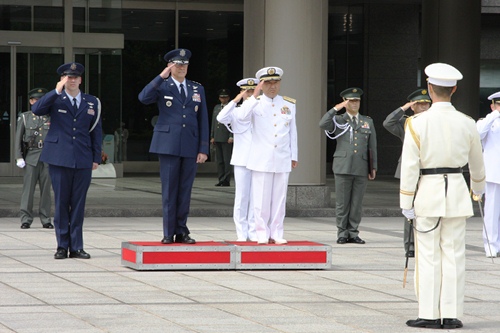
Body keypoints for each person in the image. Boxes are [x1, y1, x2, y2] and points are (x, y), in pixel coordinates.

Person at [400, 63, 485, 329]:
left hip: (428, 192)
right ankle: (451, 314)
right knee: (454, 253)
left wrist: (406, 202)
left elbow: (411, 166)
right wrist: (478, 190)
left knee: (428, 255)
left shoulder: (416, 122)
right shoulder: (468, 122)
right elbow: (477, 165)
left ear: (429, 89)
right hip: (457, 192)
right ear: (455, 89)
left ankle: (428, 313)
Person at [31, 62, 102, 260]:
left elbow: (96, 131)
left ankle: (77, 246)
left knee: (78, 204)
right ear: (63, 79)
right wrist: (55, 90)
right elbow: (37, 109)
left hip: (82, 158)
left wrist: (96, 157)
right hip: (59, 158)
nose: (71, 80)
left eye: (75, 77)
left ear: (80, 79)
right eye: (67, 77)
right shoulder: (55, 99)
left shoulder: (91, 102)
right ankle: (62, 246)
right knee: (62, 203)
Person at [138, 48, 209, 245]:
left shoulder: (197, 89)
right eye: (178, 64)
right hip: (168, 145)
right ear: (170, 66)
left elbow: (203, 119)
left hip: (190, 145)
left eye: (185, 64)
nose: (182, 68)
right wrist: (161, 76)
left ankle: (182, 231)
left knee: (185, 190)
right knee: (169, 190)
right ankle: (168, 232)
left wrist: (203, 148)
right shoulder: (163, 86)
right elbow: (143, 97)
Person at [238, 67, 298, 244]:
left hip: (282, 156)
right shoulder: (254, 103)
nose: (273, 86)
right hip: (261, 158)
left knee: (279, 199)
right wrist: (253, 96)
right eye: (268, 83)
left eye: (276, 82)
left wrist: (294, 155)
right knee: (261, 199)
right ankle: (261, 232)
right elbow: (241, 117)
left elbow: (292, 131)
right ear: (261, 85)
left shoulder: (288, 104)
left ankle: (277, 232)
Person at [319, 88, 377, 245]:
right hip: (343, 166)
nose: (355, 103)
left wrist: (373, 167)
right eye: (351, 101)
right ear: (345, 102)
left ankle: (353, 232)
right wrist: (336, 108)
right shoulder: (339, 120)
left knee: (357, 202)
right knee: (342, 202)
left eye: (357, 100)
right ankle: (342, 232)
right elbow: (323, 123)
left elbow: (372, 146)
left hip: (361, 166)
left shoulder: (367, 121)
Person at [383, 89, 431, 257]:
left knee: (429, 208)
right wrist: (403, 108)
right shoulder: (406, 123)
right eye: (419, 104)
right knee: (410, 208)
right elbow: (388, 123)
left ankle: (426, 243)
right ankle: (410, 246)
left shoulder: (434, 122)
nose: (424, 107)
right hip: (411, 170)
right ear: (413, 106)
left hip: (430, 170)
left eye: (426, 104)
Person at [216, 78, 258, 241]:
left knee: (256, 198)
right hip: (241, 159)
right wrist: (235, 100)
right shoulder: (235, 110)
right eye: (246, 91)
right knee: (242, 197)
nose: (249, 94)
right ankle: (242, 232)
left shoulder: (261, 109)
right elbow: (220, 118)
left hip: (258, 159)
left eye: (251, 91)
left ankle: (253, 231)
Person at [14, 88, 53, 230]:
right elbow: (18, 138)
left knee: (46, 191)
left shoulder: (51, 117)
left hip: (48, 157)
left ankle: (45, 218)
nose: (38, 102)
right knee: (28, 190)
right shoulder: (25, 117)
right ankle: (26, 219)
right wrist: (18, 156)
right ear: (31, 101)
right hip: (31, 157)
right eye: (36, 100)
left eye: (41, 100)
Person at [476, 91, 500, 258]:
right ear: (492, 106)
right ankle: (491, 245)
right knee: (491, 212)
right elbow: (477, 135)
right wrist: (494, 115)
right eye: (498, 105)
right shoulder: (486, 122)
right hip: (494, 174)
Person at [211, 88, 233, 186]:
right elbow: (214, 123)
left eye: (225, 97)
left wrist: (231, 136)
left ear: (228, 98)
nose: (223, 99)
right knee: (219, 160)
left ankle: (226, 179)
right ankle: (221, 179)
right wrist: (212, 136)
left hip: (226, 136)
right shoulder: (216, 107)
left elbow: (233, 122)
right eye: (221, 97)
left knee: (227, 160)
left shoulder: (231, 107)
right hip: (218, 136)